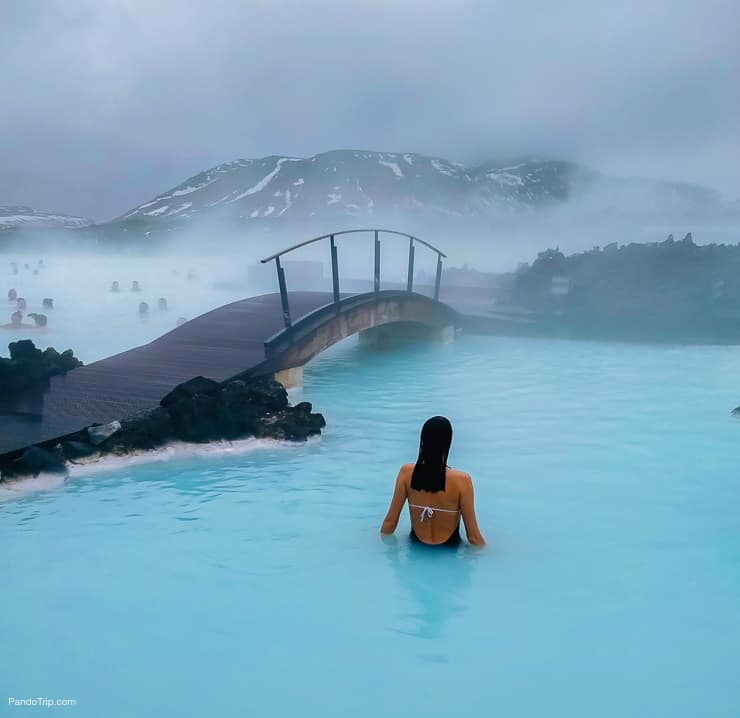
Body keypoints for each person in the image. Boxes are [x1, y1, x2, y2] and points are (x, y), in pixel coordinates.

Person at [380, 416, 485, 547]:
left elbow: (389, 524)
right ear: (448, 443)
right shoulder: (462, 481)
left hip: (416, 547)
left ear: (422, 440)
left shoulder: (406, 473)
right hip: (449, 552)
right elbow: (473, 537)